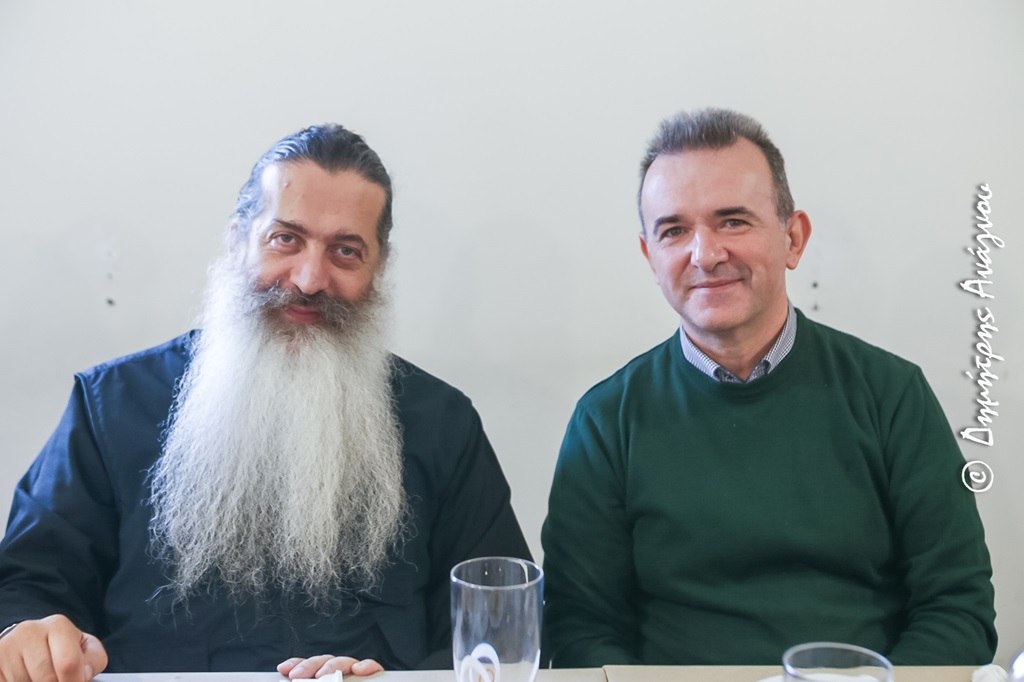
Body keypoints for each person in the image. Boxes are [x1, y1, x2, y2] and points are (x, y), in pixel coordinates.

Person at [0, 124, 531, 681]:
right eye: (286, 239)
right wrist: (26, 632)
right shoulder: (112, 406)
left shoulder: (442, 424)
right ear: (237, 242)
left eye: (345, 251)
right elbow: (29, 585)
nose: (309, 279)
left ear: (377, 269)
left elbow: (498, 626)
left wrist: (393, 681)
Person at [541, 108, 996, 667]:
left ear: (793, 238)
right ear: (650, 257)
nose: (705, 254)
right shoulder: (606, 420)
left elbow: (957, 608)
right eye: (674, 230)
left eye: (733, 221)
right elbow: (580, 628)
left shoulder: (892, 396)